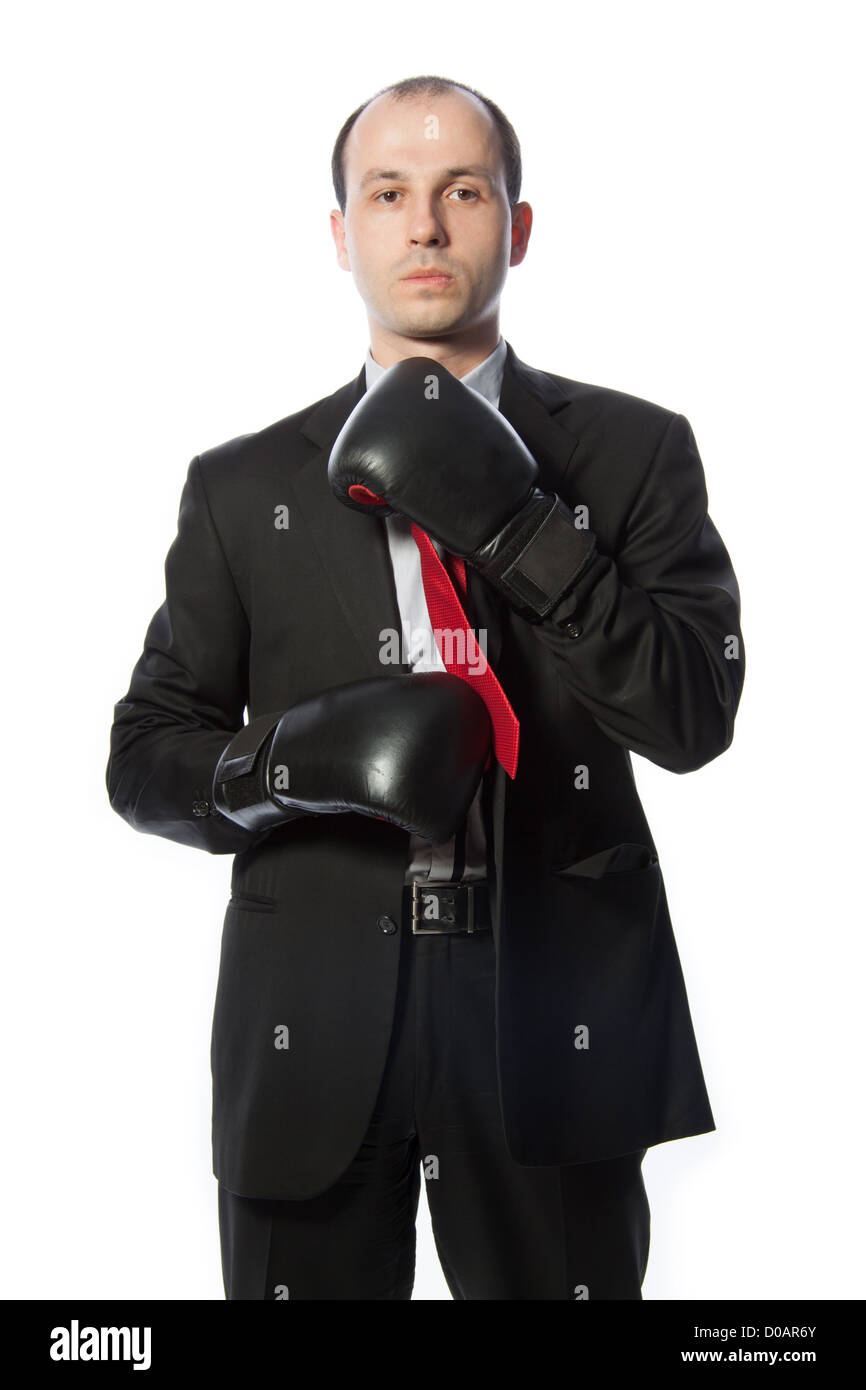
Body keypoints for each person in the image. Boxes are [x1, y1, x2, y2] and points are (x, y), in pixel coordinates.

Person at [106, 73, 745, 1301]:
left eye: (462, 190)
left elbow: (690, 714)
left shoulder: (632, 449)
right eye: (387, 193)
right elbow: (145, 753)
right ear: (342, 235)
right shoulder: (243, 486)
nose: (425, 225)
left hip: (548, 1012)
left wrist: (520, 530)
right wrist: (287, 759)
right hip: (315, 1017)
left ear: (516, 224)